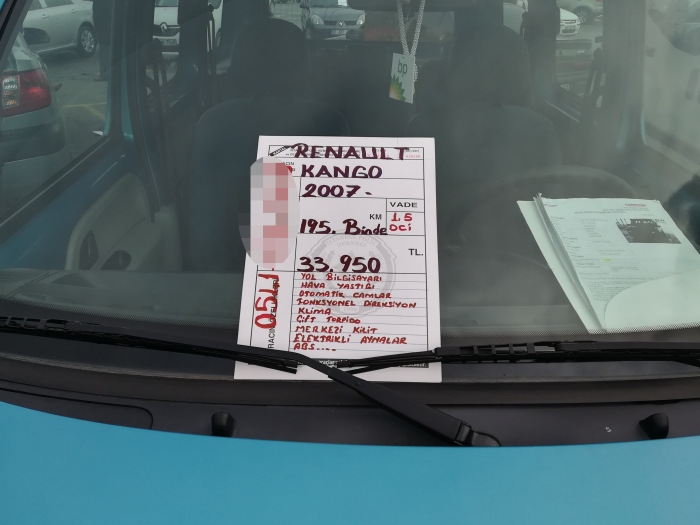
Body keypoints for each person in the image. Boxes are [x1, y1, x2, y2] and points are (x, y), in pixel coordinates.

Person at [92, 0, 114, 82]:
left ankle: (104, 74)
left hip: (104, 29)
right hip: (106, 28)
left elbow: (99, 16)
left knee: (104, 52)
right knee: (105, 51)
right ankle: (107, 73)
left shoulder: (100, 2)